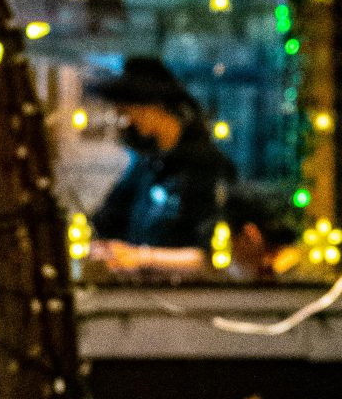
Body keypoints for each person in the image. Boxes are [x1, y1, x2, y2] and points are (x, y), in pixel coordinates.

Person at [88, 56, 236, 252]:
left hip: (180, 283)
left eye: (128, 110)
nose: (127, 120)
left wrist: (139, 257)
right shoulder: (147, 164)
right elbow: (108, 220)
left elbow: (208, 252)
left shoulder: (204, 164)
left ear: (153, 106)